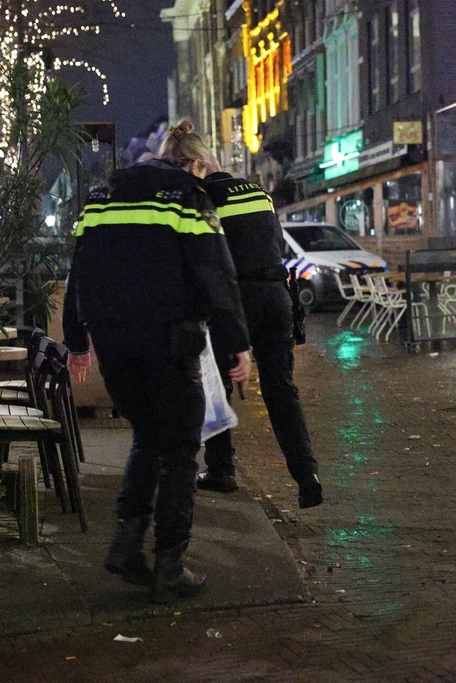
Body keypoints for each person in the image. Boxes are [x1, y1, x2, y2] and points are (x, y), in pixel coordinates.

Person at [64, 120, 252, 603]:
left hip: (113, 343)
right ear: (192, 164)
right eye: (204, 170)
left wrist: (77, 341)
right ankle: (171, 563)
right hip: (169, 341)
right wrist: (237, 345)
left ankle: (128, 540)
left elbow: (77, 273)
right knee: (180, 451)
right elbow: (216, 274)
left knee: (147, 436)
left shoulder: (100, 203)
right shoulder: (187, 201)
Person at [199, 162, 324, 509]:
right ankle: (306, 475)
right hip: (277, 297)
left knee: (219, 385)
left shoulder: (206, 198)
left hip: (238, 301)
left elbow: (210, 257)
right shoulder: (260, 194)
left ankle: (221, 470)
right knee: (282, 391)